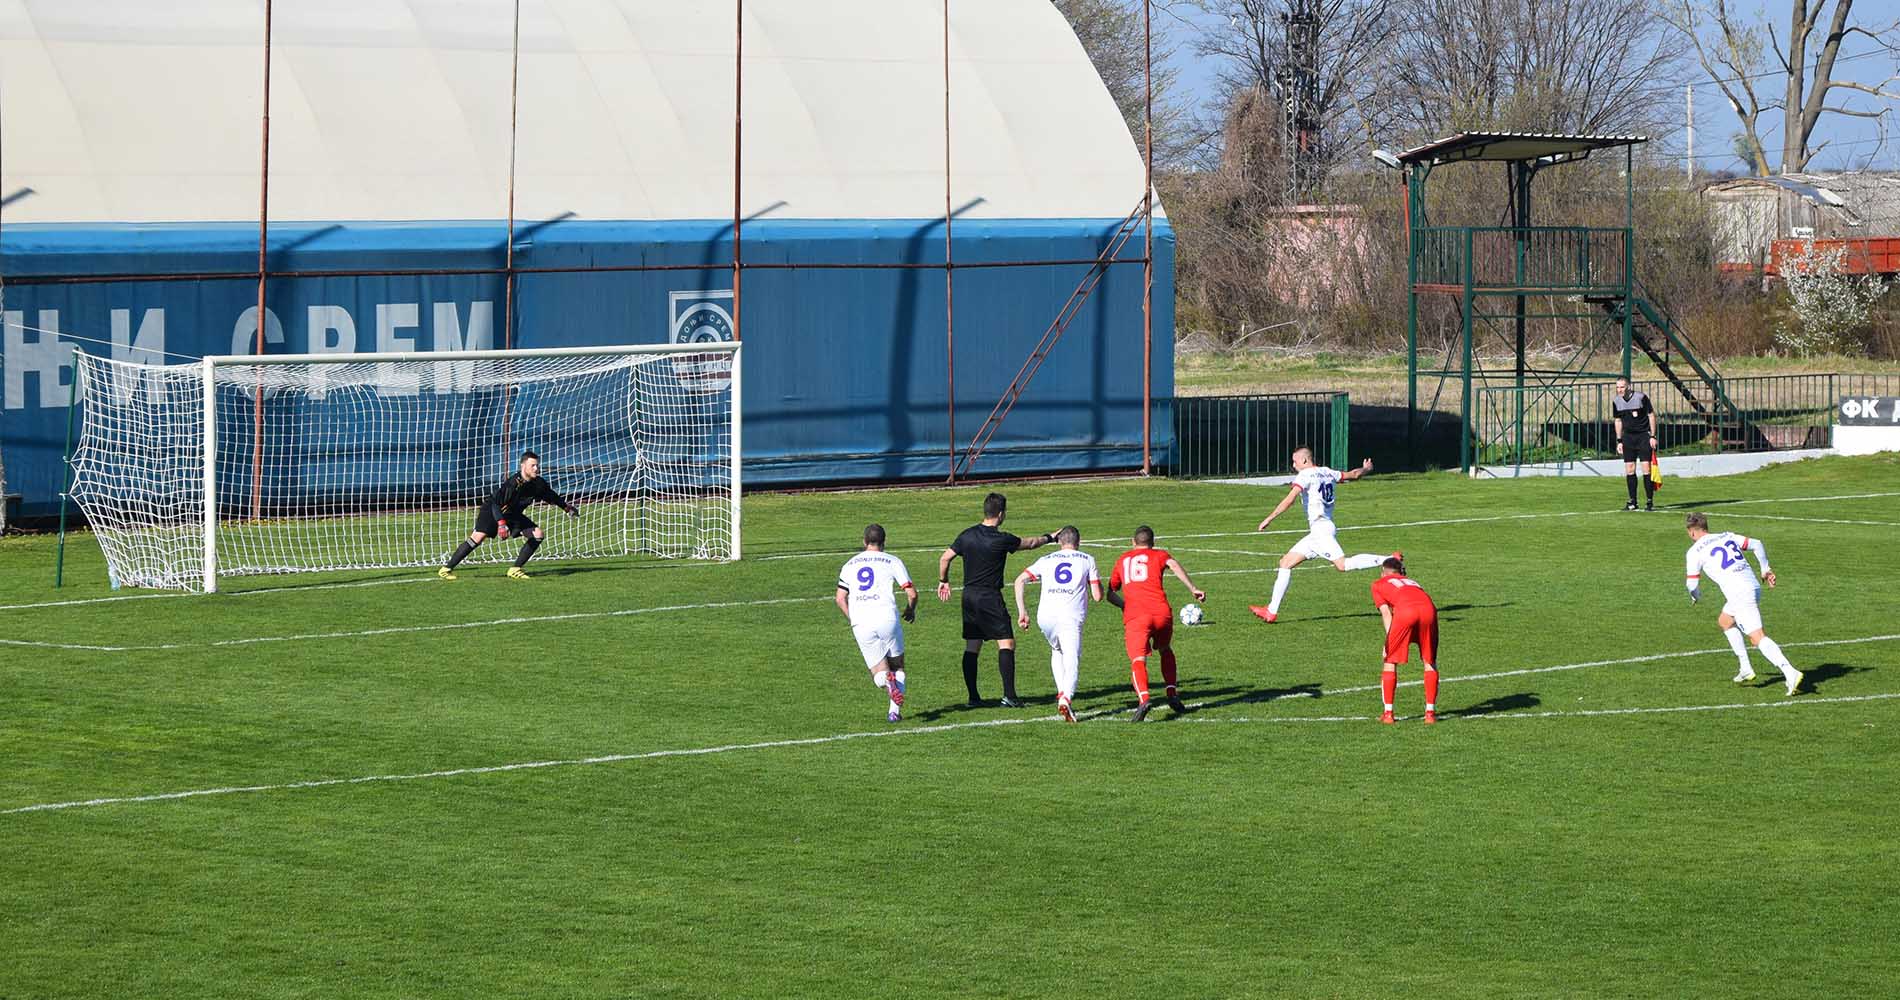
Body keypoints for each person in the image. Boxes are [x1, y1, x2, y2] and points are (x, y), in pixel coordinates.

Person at [937, 493, 1057, 708]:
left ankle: (973, 698)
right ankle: (1009, 696)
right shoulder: (1002, 539)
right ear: (1001, 514)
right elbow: (1030, 543)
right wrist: (1050, 537)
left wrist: (943, 580)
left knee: (972, 646)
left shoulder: (967, 535)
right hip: (989, 597)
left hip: (969, 596)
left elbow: (945, 557)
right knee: (1007, 643)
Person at [1248, 447, 1388, 623]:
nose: (1293, 465)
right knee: (1285, 563)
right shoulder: (1327, 472)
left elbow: (1290, 499)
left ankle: (1388, 559)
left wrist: (1269, 518)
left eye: (1295, 461)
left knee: (1342, 565)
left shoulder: (1304, 476)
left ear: (1305, 461)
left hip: (1321, 530)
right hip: (1319, 531)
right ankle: (1271, 611)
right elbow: (1354, 474)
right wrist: (1366, 469)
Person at [1685, 512, 1803, 696]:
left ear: (1691, 532)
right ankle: (1746, 668)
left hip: (1739, 593)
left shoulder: (1694, 552)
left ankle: (1790, 671)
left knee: (1756, 637)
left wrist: (1695, 596)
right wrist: (1765, 569)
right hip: (1752, 586)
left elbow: (1692, 584)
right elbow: (1756, 544)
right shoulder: (1726, 535)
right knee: (1725, 621)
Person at [1106, 525, 1206, 722]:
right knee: (1165, 649)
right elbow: (1174, 565)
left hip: (1136, 616)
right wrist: (1193, 588)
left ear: (1133, 542)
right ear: (1153, 543)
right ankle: (1171, 693)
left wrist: (1124, 606)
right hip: (1161, 613)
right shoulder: (1159, 555)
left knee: (1138, 659)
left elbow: (1110, 593)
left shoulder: (1122, 560)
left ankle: (1144, 700)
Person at [439, 450, 577, 580]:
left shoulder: (538, 483)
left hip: (512, 514)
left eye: (537, 465)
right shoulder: (513, 484)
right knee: (478, 537)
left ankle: (515, 569)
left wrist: (566, 507)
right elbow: (495, 504)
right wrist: (501, 524)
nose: (536, 468)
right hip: (492, 511)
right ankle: (446, 569)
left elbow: (550, 495)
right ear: (523, 466)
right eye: (532, 465)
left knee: (538, 534)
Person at [1013, 526, 1102, 723]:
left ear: (1060, 542)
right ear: (1078, 542)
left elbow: (1019, 580)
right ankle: (1066, 698)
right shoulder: (1087, 559)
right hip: (1070, 617)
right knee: (1072, 657)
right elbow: (1097, 596)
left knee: (1056, 649)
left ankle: (1061, 691)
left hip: (1045, 617)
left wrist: (1022, 611)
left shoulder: (1046, 559)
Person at [836, 523, 919, 723]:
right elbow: (912, 593)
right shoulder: (893, 561)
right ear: (884, 542)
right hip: (887, 619)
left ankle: (886, 683)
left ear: (864, 541)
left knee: (879, 673)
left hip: (862, 623)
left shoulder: (849, 564)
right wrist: (910, 610)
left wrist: (853, 619)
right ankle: (894, 713)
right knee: (897, 667)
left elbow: (840, 598)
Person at [1371, 555, 1439, 725]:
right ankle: (1430, 714)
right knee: (1429, 660)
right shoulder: (1412, 581)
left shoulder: (1378, 584)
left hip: (1406, 612)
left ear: (1383, 572)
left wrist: (1388, 641)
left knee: (1390, 660)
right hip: (1429, 611)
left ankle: (1388, 714)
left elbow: (1386, 613)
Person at [1612, 376, 1660, 511]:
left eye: (1622, 387)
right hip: (1628, 439)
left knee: (1646, 469)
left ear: (1629, 387)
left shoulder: (1641, 398)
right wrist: (1619, 440)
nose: (1619, 390)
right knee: (1630, 469)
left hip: (1643, 437)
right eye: (1617, 387)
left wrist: (1652, 435)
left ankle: (1649, 501)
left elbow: (1651, 415)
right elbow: (1618, 421)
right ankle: (1632, 501)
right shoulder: (1616, 401)